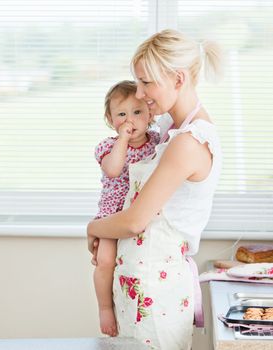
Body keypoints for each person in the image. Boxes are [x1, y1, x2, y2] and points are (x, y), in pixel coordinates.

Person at [87, 29, 223, 349]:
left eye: (146, 82)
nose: (139, 92)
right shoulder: (168, 130)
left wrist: (93, 227)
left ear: (178, 79)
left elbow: (135, 220)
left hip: (154, 292)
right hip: (137, 281)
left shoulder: (189, 142)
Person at [93, 80, 160, 337]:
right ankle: (105, 307)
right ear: (110, 120)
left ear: (150, 115)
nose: (130, 120)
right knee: (104, 261)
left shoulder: (157, 142)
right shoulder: (107, 147)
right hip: (112, 216)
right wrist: (123, 138)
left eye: (137, 112)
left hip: (142, 213)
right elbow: (113, 169)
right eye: (121, 114)